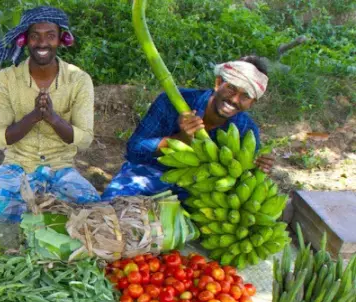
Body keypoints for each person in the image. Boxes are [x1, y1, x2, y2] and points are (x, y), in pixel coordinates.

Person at [0, 6, 99, 223]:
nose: (42, 43)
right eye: (35, 36)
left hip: (61, 167)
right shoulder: (6, 79)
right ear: (24, 40)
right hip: (17, 166)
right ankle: (48, 218)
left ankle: (36, 217)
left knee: (91, 204)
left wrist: (53, 118)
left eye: (50, 36)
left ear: (61, 39)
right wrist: (33, 117)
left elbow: (85, 139)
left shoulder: (78, 79)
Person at [102, 56, 274, 200]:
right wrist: (181, 138)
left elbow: (241, 182)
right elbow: (134, 150)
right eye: (231, 88)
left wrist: (256, 168)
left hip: (200, 192)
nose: (235, 100)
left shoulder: (247, 131)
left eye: (246, 96)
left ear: (252, 103)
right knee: (110, 205)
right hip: (150, 174)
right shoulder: (173, 101)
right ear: (218, 82)